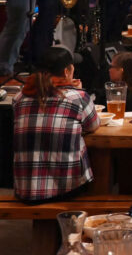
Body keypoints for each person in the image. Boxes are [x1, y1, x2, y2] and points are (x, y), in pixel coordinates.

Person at [12, 47, 99, 201]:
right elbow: (92, 125)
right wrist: (77, 91)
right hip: (66, 190)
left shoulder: (19, 98)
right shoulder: (78, 97)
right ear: (67, 71)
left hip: (25, 191)